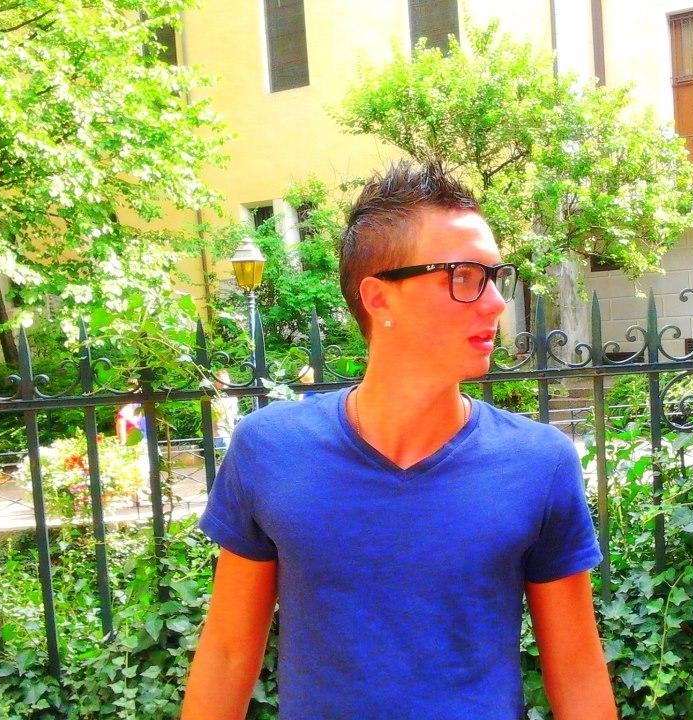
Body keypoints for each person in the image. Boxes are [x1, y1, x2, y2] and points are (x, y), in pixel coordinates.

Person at [181, 162, 616, 719]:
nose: (495, 302)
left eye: (494, 277)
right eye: (463, 277)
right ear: (379, 297)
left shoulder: (537, 462)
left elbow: (576, 668)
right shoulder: (270, 450)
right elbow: (226, 654)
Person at [210, 370, 240, 449]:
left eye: (225, 380)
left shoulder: (232, 398)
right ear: (215, 382)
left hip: (229, 434)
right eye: (220, 380)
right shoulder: (212, 398)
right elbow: (217, 415)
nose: (223, 383)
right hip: (219, 434)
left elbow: (233, 416)